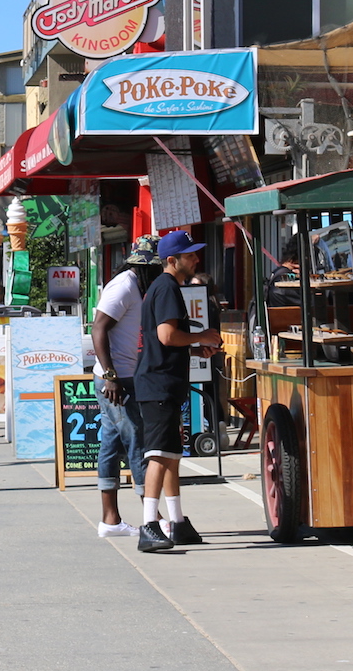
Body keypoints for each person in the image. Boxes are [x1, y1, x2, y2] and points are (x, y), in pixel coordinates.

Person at [132, 229, 220, 554]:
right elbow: (168, 336)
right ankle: (149, 526)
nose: (196, 259)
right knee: (158, 454)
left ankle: (177, 522)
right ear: (173, 260)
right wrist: (203, 337)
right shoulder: (167, 287)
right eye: (190, 255)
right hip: (158, 384)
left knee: (171, 454)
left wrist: (196, 350)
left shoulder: (163, 288)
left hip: (163, 381)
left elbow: (164, 343)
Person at [90, 240, 159, 539]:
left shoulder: (136, 286)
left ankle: (111, 519)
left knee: (111, 443)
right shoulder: (124, 286)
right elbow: (98, 328)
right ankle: (151, 519)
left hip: (125, 375)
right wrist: (111, 376)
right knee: (137, 442)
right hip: (116, 379)